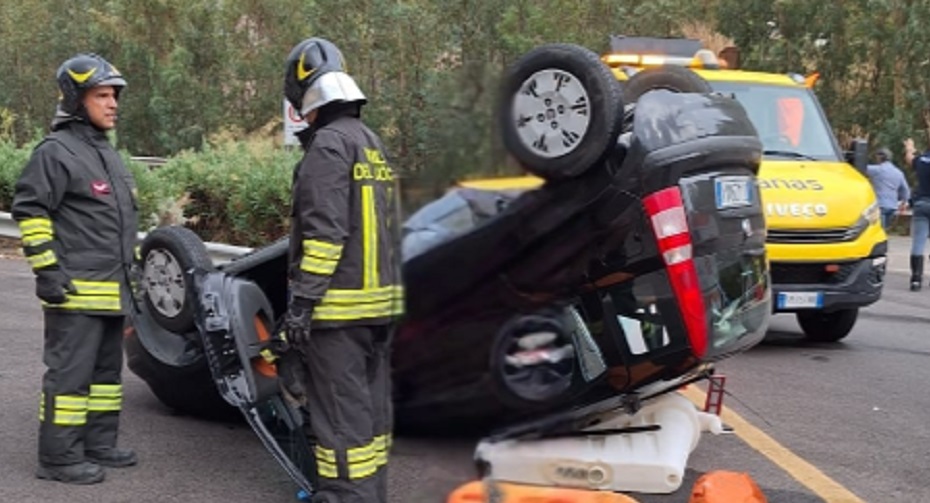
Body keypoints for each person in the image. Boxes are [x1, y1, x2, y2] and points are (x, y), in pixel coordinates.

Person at [281, 37, 403, 503]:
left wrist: (302, 306)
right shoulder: (370, 144)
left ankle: (344, 498)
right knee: (368, 418)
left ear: (305, 98)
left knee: (337, 419)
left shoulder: (327, 148)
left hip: (338, 312)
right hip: (378, 308)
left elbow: (326, 236)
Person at [12, 53, 139, 484]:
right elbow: (30, 211)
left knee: (105, 378)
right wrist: (47, 272)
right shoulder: (56, 152)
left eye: (114, 96)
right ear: (74, 99)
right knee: (70, 378)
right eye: (102, 95)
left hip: (111, 292)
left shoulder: (105, 154)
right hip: (74, 293)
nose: (112, 104)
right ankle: (59, 458)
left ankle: (98, 444)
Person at [904, 138, 930, 291]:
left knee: (918, 243)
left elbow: (909, 159)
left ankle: (916, 280)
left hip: (921, 204)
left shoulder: (922, 160)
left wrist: (910, 147)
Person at [866, 147, 910, 231]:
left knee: (877, 231)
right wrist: (905, 202)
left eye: (876, 156)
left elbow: (859, 168)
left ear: (880, 157)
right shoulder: (898, 172)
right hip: (892, 207)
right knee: (884, 231)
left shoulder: (877, 170)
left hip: (880, 206)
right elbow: (905, 190)